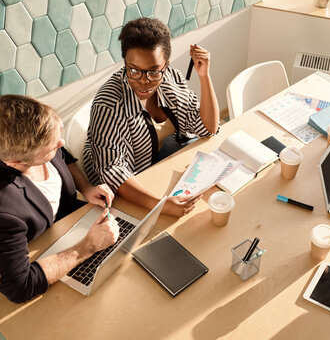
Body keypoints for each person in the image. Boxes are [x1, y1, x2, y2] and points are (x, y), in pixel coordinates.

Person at [84, 17, 220, 218]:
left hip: (154, 165)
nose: (143, 82)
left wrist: (204, 76)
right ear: (124, 63)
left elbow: (207, 127)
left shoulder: (171, 78)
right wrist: (161, 206)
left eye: (154, 71)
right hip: (119, 189)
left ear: (165, 65)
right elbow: (113, 171)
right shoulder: (108, 104)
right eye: (134, 70)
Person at [0, 95, 119, 303]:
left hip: (74, 226)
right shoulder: (5, 210)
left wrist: (87, 188)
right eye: (51, 147)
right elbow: (20, 286)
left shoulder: (39, 143)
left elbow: (63, 155)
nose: (61, 144)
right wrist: (87, 247)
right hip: (50, 256)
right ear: (15, 162)